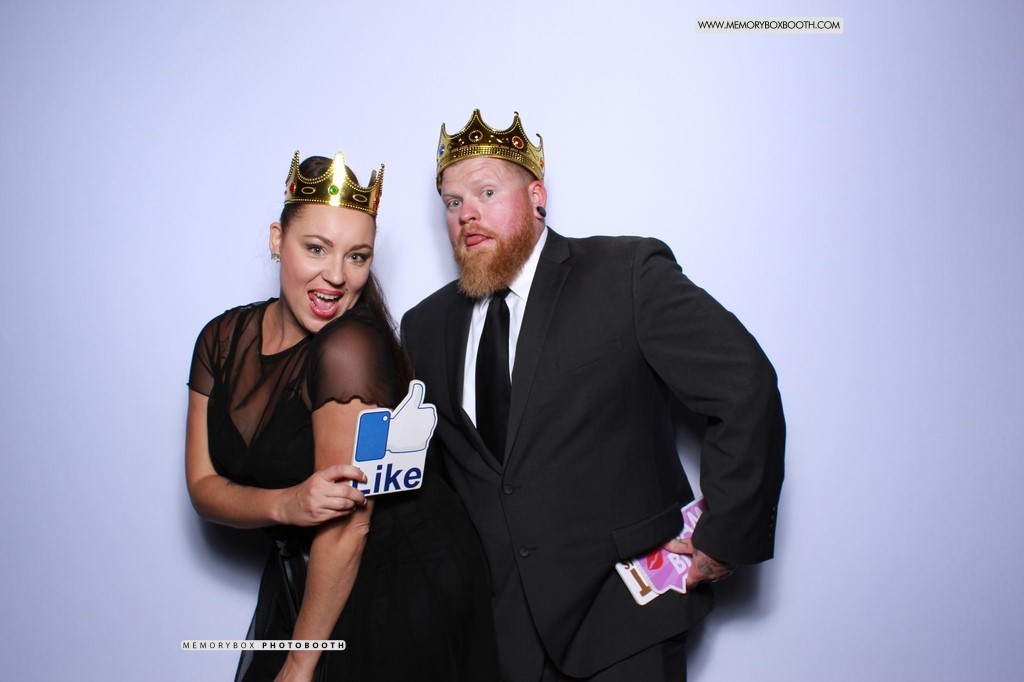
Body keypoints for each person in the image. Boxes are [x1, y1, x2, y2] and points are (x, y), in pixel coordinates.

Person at [400, 110, 786, 681]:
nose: (467, 214)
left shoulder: (624, 273)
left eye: (487, 192)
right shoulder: (425, 326)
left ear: (537, 197)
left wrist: (725, 537)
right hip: (498, 642)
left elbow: (743, 385)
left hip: (625, 623)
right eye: (452, 202)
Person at [186, 150, 497, 681]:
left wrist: (300, 662)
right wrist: (286, 504)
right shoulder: (221, 340)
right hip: (309, 571)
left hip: (396, 577)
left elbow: (349, 524)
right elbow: (202, 487)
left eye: (357, 256)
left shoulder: (349, 348)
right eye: (316, 248)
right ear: (276, 240)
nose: (336, 277)